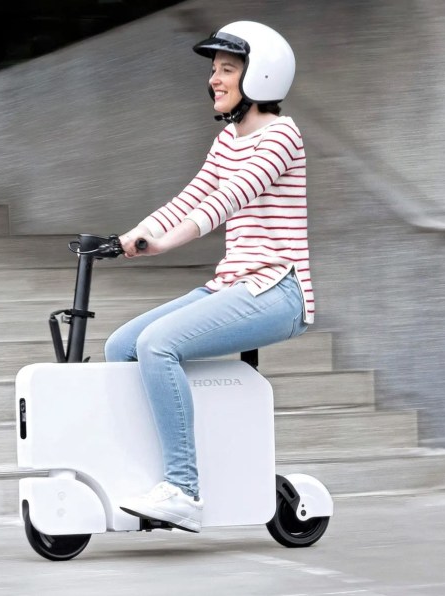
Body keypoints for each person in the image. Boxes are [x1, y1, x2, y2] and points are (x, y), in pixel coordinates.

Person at [106, 21, 314, 533]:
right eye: (214, 70)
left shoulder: (281, 136)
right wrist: (129, 236)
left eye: (227, 69)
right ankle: (161, 474)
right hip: (232, 286)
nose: (214, 80)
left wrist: (163, 244)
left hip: (278, 290)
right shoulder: (227, 140)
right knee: (121, 346)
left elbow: (227, 200)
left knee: (158, 344)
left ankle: (184, 489)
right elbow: (192, 196)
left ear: (261, 76)